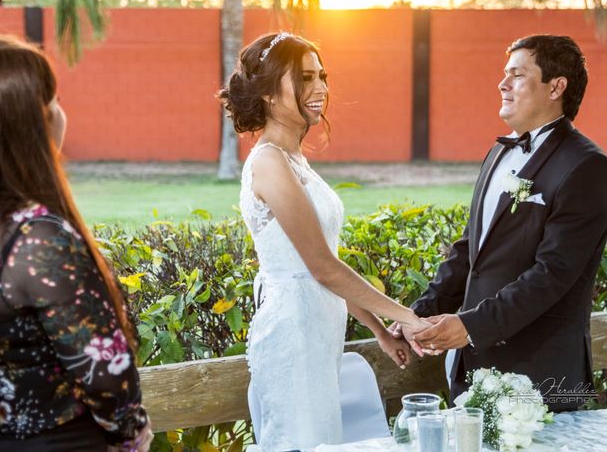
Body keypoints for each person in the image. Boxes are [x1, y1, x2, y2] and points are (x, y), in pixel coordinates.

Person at [220, 32, 428, 451]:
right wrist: (407, 316)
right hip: (293, 336)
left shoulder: (296, 159)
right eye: (305, 78)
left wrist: (378, 330)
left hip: (320, 331)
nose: (321, 89)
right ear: (268, 93)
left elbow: (323, 267)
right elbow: (321, 268)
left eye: (321, 76)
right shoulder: (269, 163)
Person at [394, 34, 607, 412]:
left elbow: (552, 275)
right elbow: (469, 250)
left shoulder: (587, 166)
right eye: (504, 74)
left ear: (556, 87)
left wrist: (471, 326)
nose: (502, 83)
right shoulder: (498, 151)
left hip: (541, 375)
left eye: (517, 75)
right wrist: (417, 314)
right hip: (472, 368)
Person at [0, 36, 153, 451]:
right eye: (55, 99)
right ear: (34, 122)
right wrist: (131, 432)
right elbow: (106, 374)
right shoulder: (37, 241)